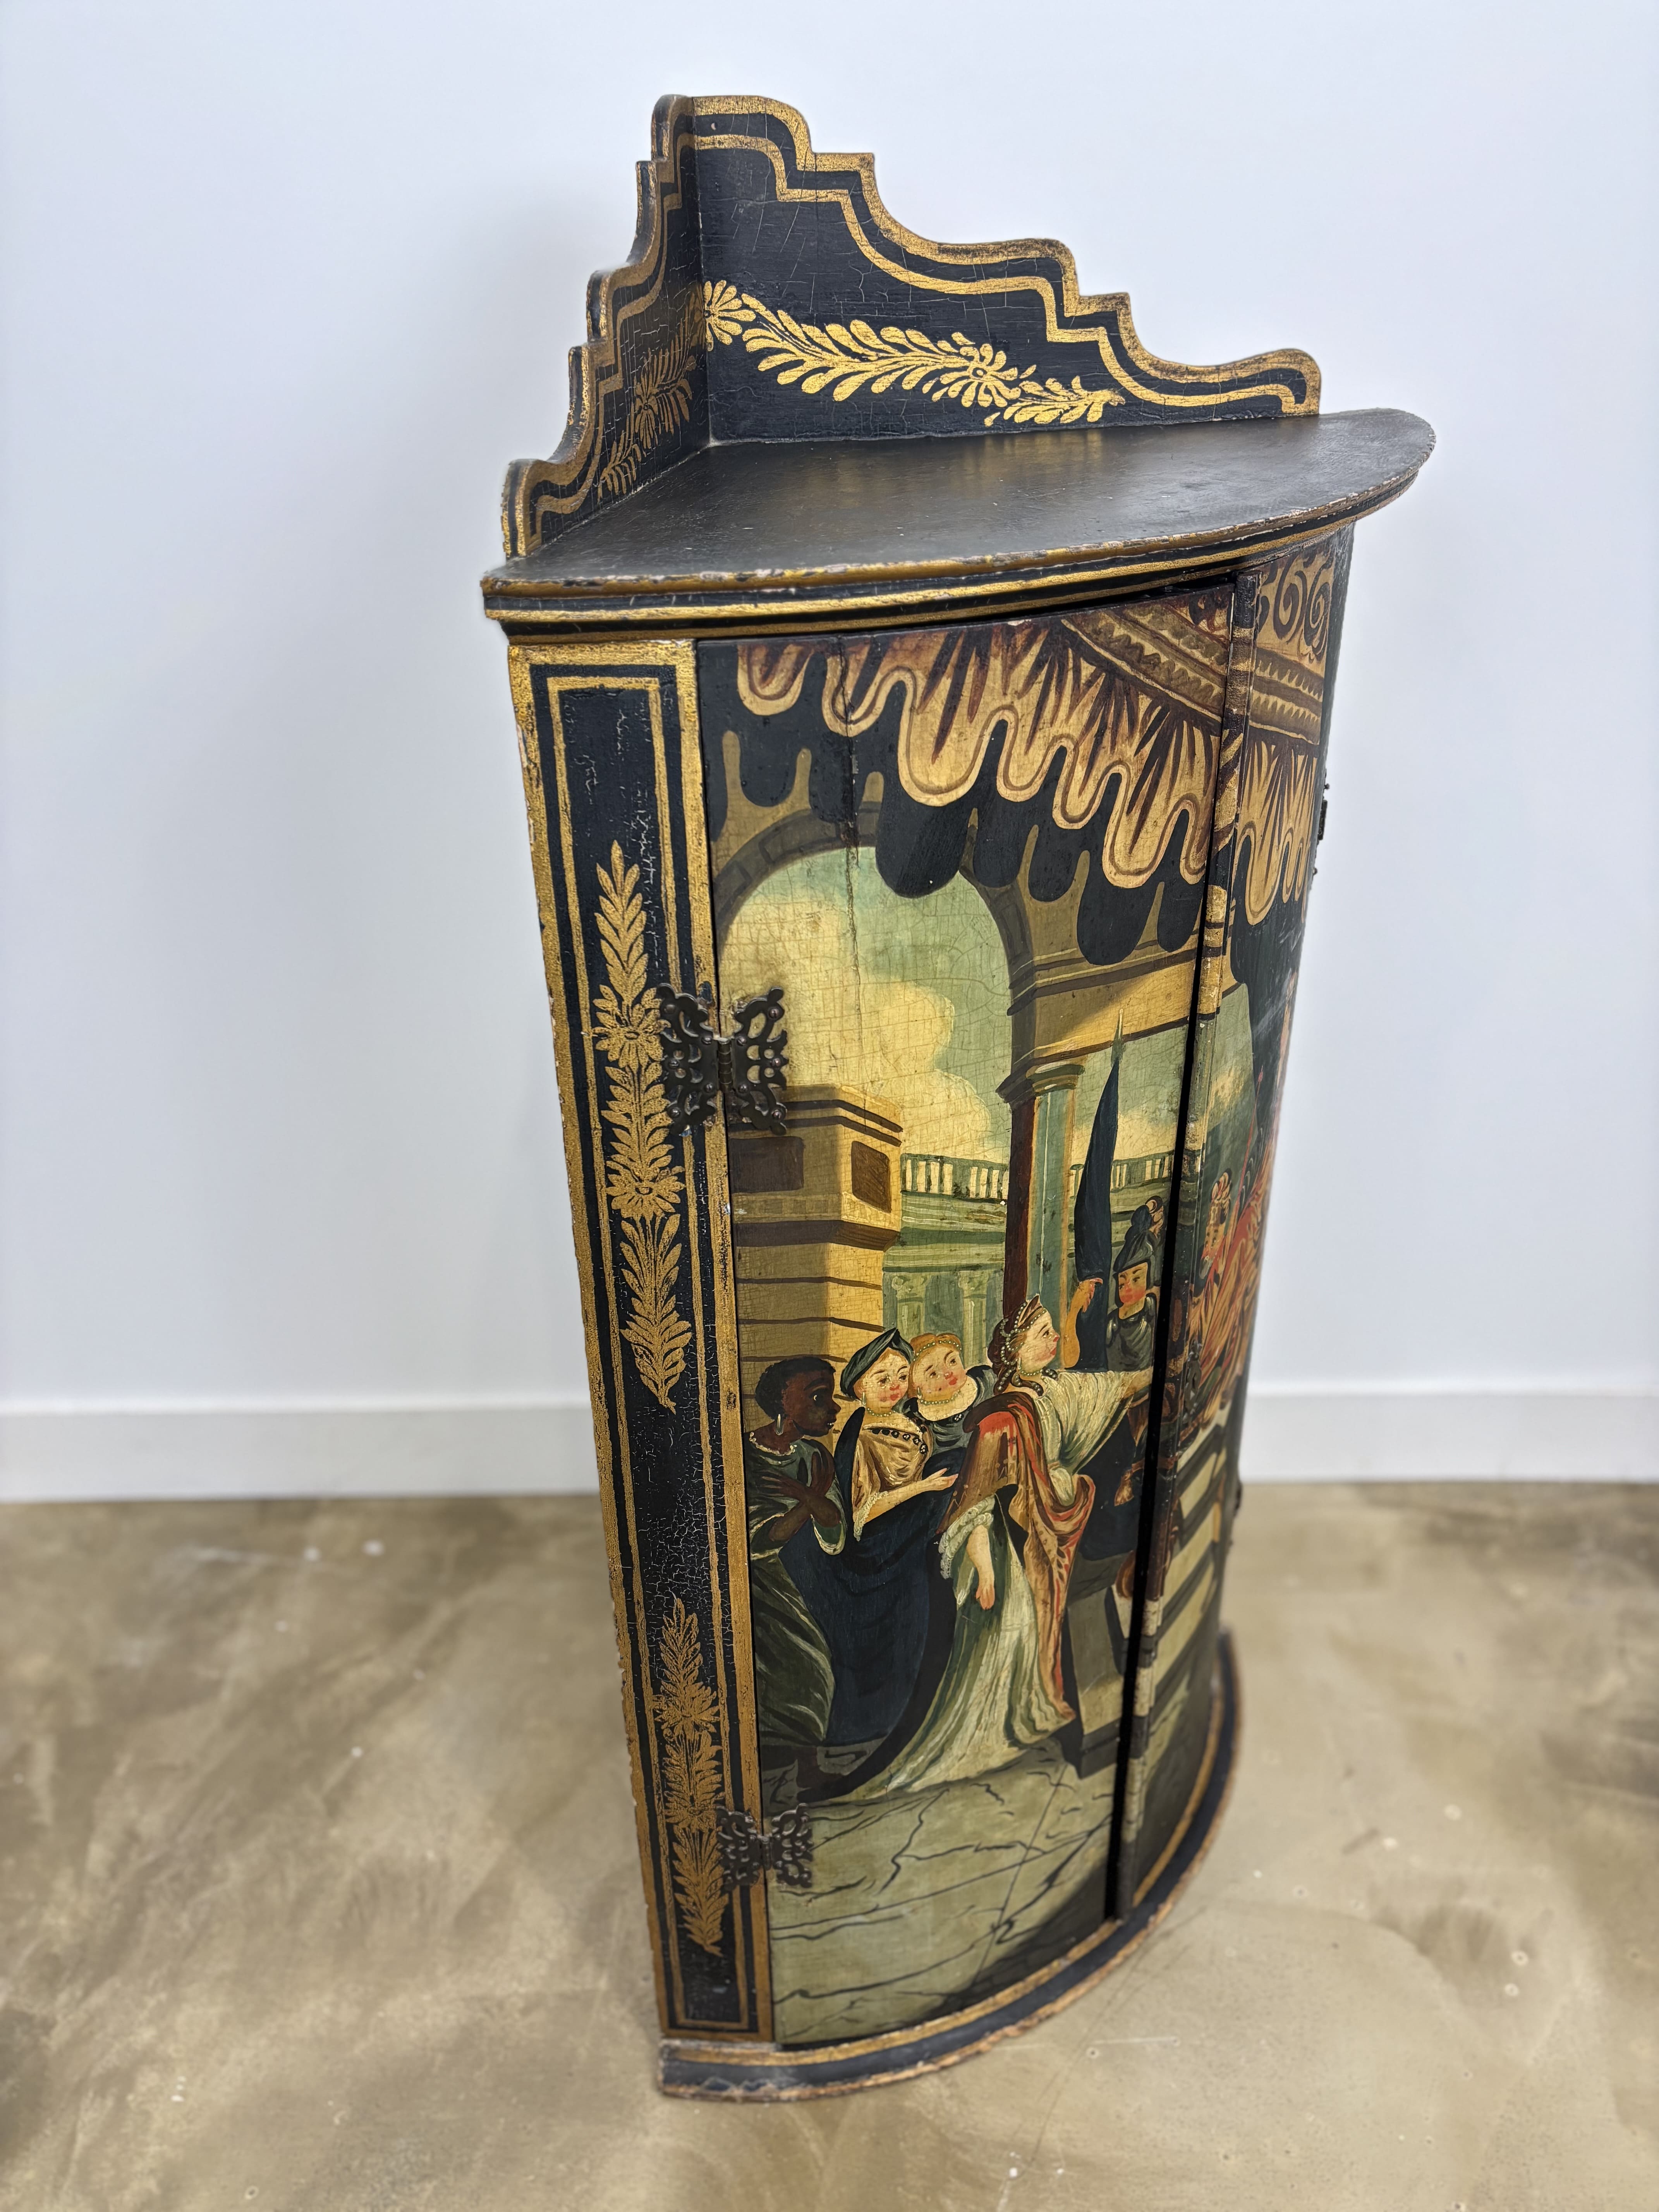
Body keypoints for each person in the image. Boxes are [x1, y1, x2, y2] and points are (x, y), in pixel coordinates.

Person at [870, 1297, 1151, 1793]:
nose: (1053, 1339)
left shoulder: (1045, 1387)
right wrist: (983, 1563)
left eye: (952, 1362)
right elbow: (974, 1500)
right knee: (1009, 1632)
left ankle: (1057, 1701)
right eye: (1040, 1334)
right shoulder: (995, 1418)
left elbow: (1106, 1388)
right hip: (999, 1530)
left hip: (1046, 1516)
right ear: (1014, 1352)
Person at [743, 1356, 844, 1786]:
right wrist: (808, 1502)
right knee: (779, 1666)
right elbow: (761, 1538)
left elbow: (834, 1524)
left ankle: (806, 1767)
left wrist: (808, 1497)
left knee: (812, 1665)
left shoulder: (815, 1456)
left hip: (804, 1578)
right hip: (755, 1583)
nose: (833, 1408)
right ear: (783, 1400)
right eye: (819, 1398)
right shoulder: (743, 1456)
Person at [907, 1331, 994, 1474]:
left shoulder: (986, 1381)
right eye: (933, 1374)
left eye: (952, 1362)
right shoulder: (915, 1419)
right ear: (916, 1389)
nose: (948, 1373)